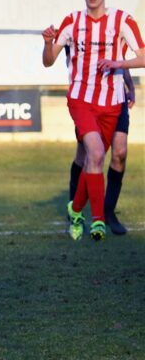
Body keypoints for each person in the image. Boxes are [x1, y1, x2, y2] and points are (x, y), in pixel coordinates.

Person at [42, 0, 145, 241]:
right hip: (81, 99)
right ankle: (97, 220)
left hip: (114, 100)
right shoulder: (72, 22)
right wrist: (47, 42)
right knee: (93, 153)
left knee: (109, 154)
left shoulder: (123, 21)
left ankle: (85, 210)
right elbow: (48, 61)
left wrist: (119, 65)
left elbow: (141, 55)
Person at [69, 68, 135, 235]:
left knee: (120, 154)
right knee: (85, 156)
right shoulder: (75, 41)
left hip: (117, 100)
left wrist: (130, 87)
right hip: (89, 99)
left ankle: (108, 211)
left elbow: (119, 58)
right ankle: (75, 211)